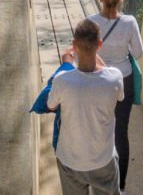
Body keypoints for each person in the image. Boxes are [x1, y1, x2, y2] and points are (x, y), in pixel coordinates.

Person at [45, 18, 123, 195]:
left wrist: (66, 64)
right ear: (100, 44)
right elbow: (119, 95)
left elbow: (50, 106)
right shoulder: (115, 78)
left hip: (70, 162)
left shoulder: (62, 80)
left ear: (74, 45)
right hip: (103, 160)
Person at [87, 0, 143, 193]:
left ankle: (98, 183)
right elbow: (138, 53)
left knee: (97, 130)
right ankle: (120, 187)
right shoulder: (129, 22)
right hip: (123, 80)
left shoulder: (90, 22)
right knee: (120, 132)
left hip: (97, 81)